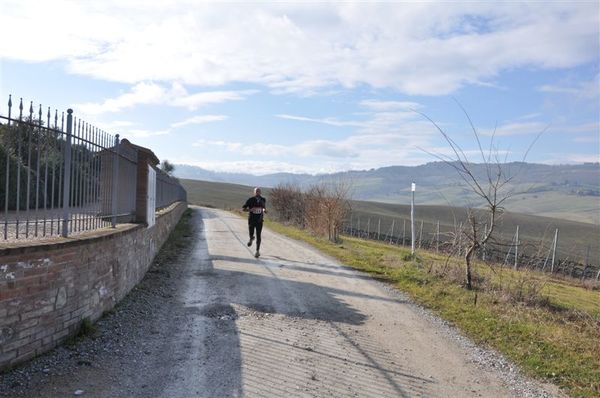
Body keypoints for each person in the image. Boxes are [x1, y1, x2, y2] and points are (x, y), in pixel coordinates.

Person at [242, 187, 267, 258]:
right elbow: (243, 209)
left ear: (260, 192)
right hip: (252, 220)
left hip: (259, 220)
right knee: (251, 233)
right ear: (254, 192)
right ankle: (251, 238)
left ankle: (257, 251)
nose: (258, 193)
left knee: (259, 235)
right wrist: (250, 210)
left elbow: (263, 207)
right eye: (256, 191)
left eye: (259, 191)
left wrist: (264, 210)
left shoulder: (263, 199)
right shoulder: (250, 200)